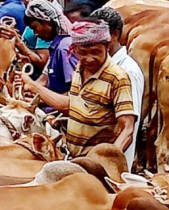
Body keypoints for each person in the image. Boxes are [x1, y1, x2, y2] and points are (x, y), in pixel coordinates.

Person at [24, 20, 136, 157]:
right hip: (73, 155)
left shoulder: (117, 78)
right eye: (83, 53)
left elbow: (128, 129)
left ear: (107, 46)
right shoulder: (78, 69)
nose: (89, 59)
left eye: (96, 52)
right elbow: (78, 106)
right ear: (74, 49)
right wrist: (64, 121)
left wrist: (108, 159)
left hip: (95, 161)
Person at [90, 6, 144, 171]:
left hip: (110, 165)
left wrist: (108, 162)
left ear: (114, 35)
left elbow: (127, 127)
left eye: (97, 35)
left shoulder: (128, 71)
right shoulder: (98, 66)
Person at [22, 0, 78, 101]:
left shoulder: (64, 48)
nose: (35, 34)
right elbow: (43, 81)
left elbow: (75, 93)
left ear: (46, 21)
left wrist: (43, 100)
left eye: (35, 28)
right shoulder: (56, 47)